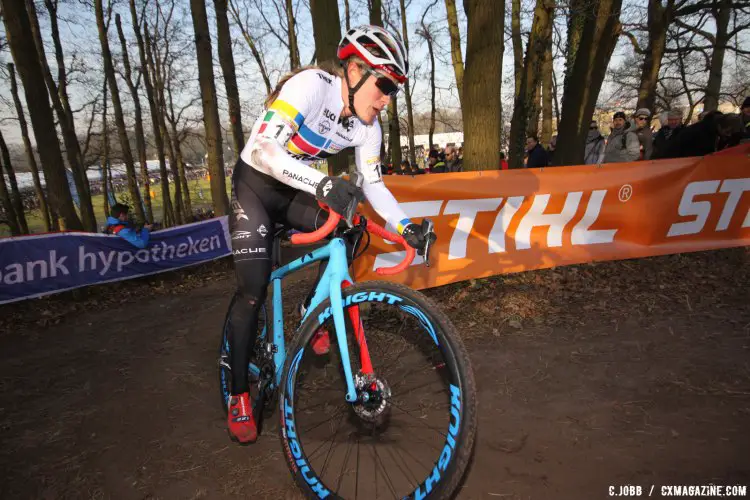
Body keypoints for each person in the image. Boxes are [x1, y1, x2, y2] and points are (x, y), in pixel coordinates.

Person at [225, 25, 435, 444]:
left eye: (394, 89)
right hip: (255, 186)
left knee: (353, 229)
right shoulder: (310, 87)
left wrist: (406, 226)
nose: (387, 99)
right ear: (355, 70)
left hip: (295, 190)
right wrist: (322, 186)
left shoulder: (366, 125)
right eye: (384, 85)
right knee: (253, 288)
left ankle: (312, 309)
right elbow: (266, 150)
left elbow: (373, 184)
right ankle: (238, 394)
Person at [659, 110, 744, 158]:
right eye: (727, 132)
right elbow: (671, 152)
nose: (728, 136)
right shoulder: (693, 133)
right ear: (719, 126)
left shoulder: (723, 135)